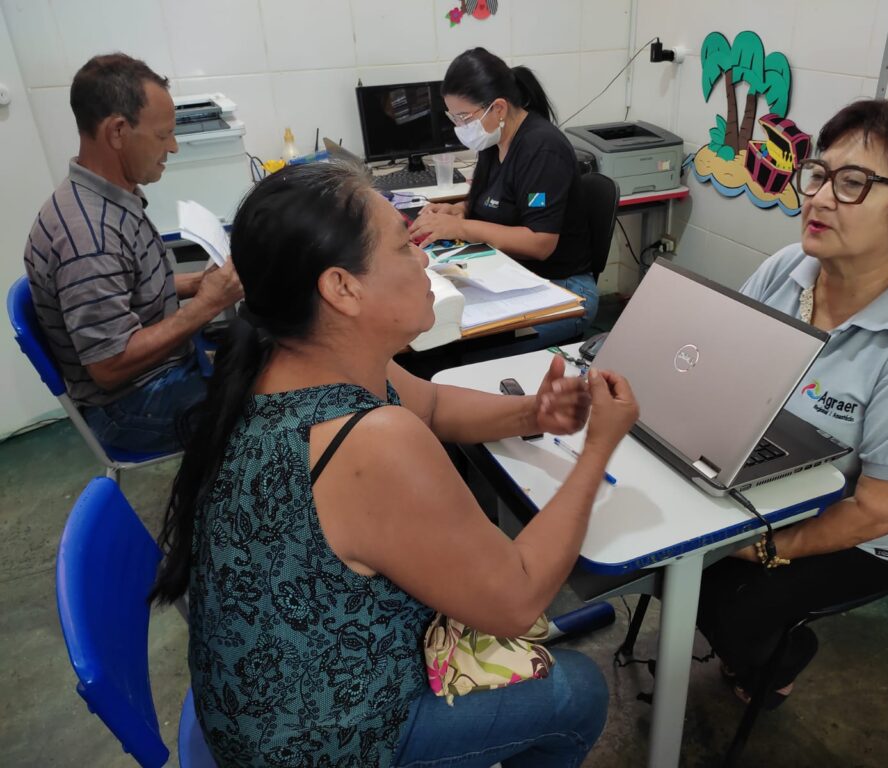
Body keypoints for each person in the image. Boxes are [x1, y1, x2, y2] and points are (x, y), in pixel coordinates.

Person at [150, 161, 639, 768]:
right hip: (310, 742)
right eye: (407, 246)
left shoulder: (289, 358)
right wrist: (597, 451)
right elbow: (516, 597)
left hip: (260, 697)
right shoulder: (370, 442)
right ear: (342, 288)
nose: (427, 260)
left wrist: (532, 414)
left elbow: (431, 402)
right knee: (578, 693)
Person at [696, 99, 888, 707]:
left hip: (863, 532)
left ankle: (778, 663)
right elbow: (724, 360)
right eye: (820, 174)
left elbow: (884, 510)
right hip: (772, 473)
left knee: (723, 597)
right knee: (668, 555)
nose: (820, 197)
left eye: (853, 184)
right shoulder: (792, 266)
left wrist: (768, 548)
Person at [22, 53, 242, 454]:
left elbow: (132, 287)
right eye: (163, 136)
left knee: (262, 357)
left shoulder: (111, 198)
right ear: (118, 131)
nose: (172, 148)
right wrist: (208, 305)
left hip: (157, 374)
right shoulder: (87, 234)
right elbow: (109, 366)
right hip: (128, 406)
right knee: (271, 412)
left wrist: (199, 284)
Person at [409, 47, 598, 349]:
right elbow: (496, 203)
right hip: (509, 277)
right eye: (454, 117)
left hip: (563, 290)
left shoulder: (541, 148)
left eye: (463, 116)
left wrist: (461, 229)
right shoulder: (493, 141)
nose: (460, 127)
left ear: (497, 107)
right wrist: (457, 211)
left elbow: (540, 243)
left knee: (454, 343)